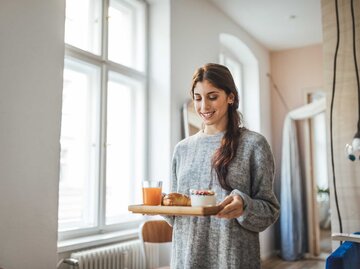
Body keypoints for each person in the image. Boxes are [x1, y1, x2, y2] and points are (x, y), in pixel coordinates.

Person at [164, 63, 280, 269]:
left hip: (233, 261)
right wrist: (164, 206)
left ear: (231, 97)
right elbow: (178, 218)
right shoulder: (182, 149)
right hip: (186, 260)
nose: (204, 107)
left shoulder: (254, 144)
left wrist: (244, 205)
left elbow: (269, 211)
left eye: (212, 96)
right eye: (198, 98)